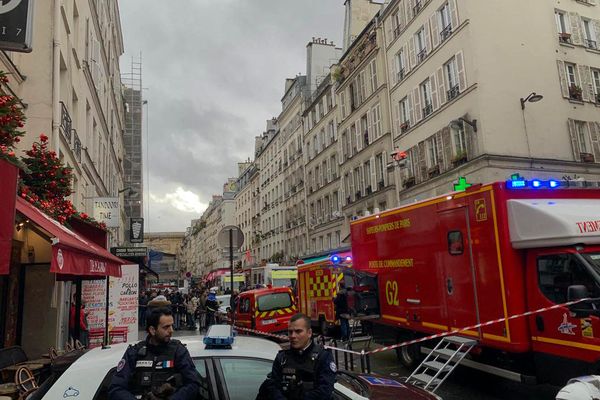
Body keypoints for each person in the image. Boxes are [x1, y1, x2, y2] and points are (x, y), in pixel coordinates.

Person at [108, 307, 201, 400]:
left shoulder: (178, 351)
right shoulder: (134, 352)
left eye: (171, 325)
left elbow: (193, 384)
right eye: (166, 327)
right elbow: (116, 388)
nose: (171, 330)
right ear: (152, 330)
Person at [257, 313, 336, 400]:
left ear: (309, 333)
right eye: (290, 332)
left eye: (298, 331)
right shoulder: (282, 358)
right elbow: (273, 388)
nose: (293, 336)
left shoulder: (323, 357)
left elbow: (324, 392)